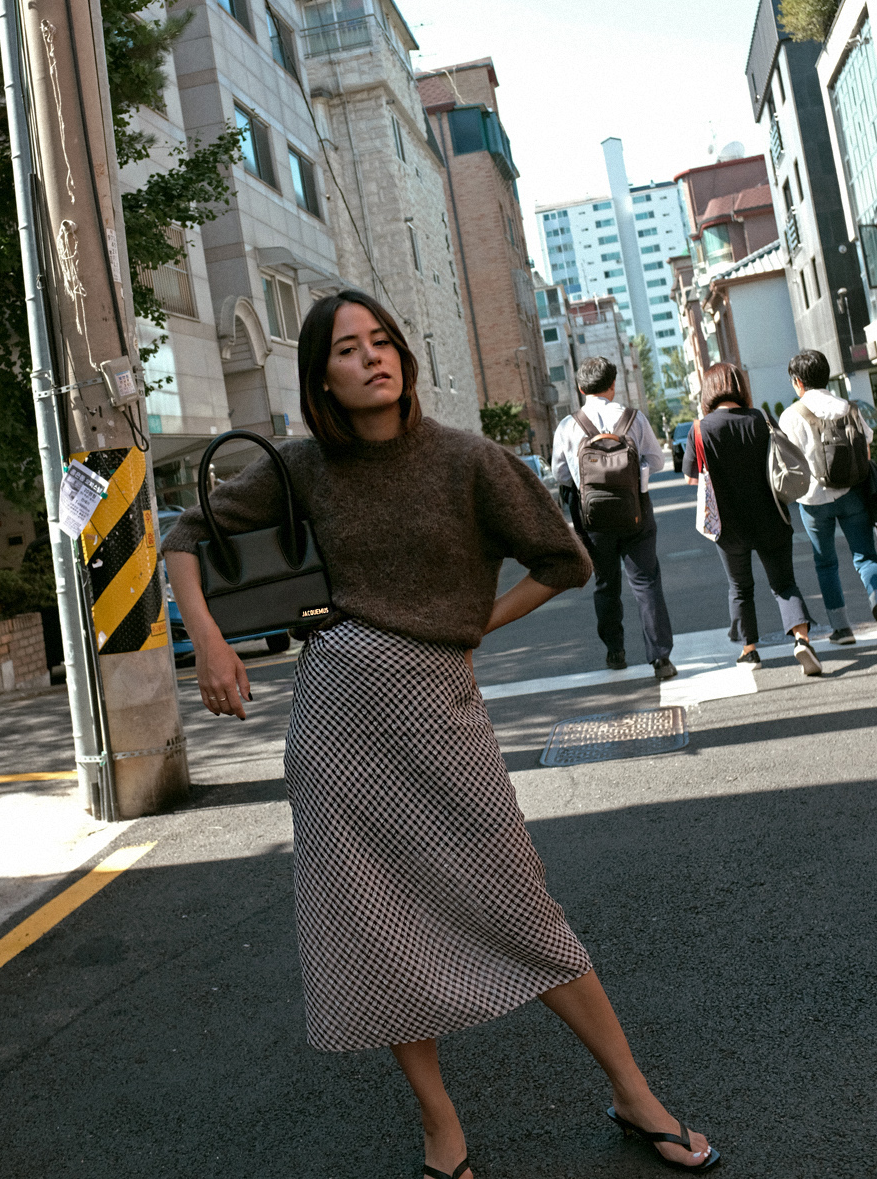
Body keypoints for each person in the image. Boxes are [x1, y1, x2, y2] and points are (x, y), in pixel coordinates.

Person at [164, 289, 719, 1176]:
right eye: (347, 350)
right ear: (321, 380)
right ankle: (439, 1124)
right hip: (337, 719)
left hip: (439, 707)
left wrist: (470, 628)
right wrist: (211, 643)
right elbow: (187, 534)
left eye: (382, 341)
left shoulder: (470, 459)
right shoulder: (301, 466)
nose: (372, 358)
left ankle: (633, 1093)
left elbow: (563, 560)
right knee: (374, 924)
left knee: (520, 903)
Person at [682, 361, 821, 675]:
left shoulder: (700, 429)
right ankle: (801, 639)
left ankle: (750, 650)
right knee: (784, 583)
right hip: (771, 515)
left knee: (740, 588)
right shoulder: (762, 418)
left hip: (728, 526)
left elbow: (692, 477)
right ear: (740, 387)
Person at [550, 357, 677, 679]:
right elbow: (657, 461)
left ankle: (615, 653)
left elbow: (560, 474)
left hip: (592, 518)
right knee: (646, 582)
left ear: (581, 388)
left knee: (606, 583)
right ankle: (660, 658)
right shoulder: (633, 418)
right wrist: (634, 479)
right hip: (636, 511)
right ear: (613, 385)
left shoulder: (568, 425)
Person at [778, 349, 876, 644]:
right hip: (853, 492)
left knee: (826, 563)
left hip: (813, 500)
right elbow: (867, 442)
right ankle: (875, 597)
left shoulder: (792, 415)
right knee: (866, 556)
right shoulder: (848, 407)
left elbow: (787, 461)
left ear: (798, 382)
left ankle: (843, 628)